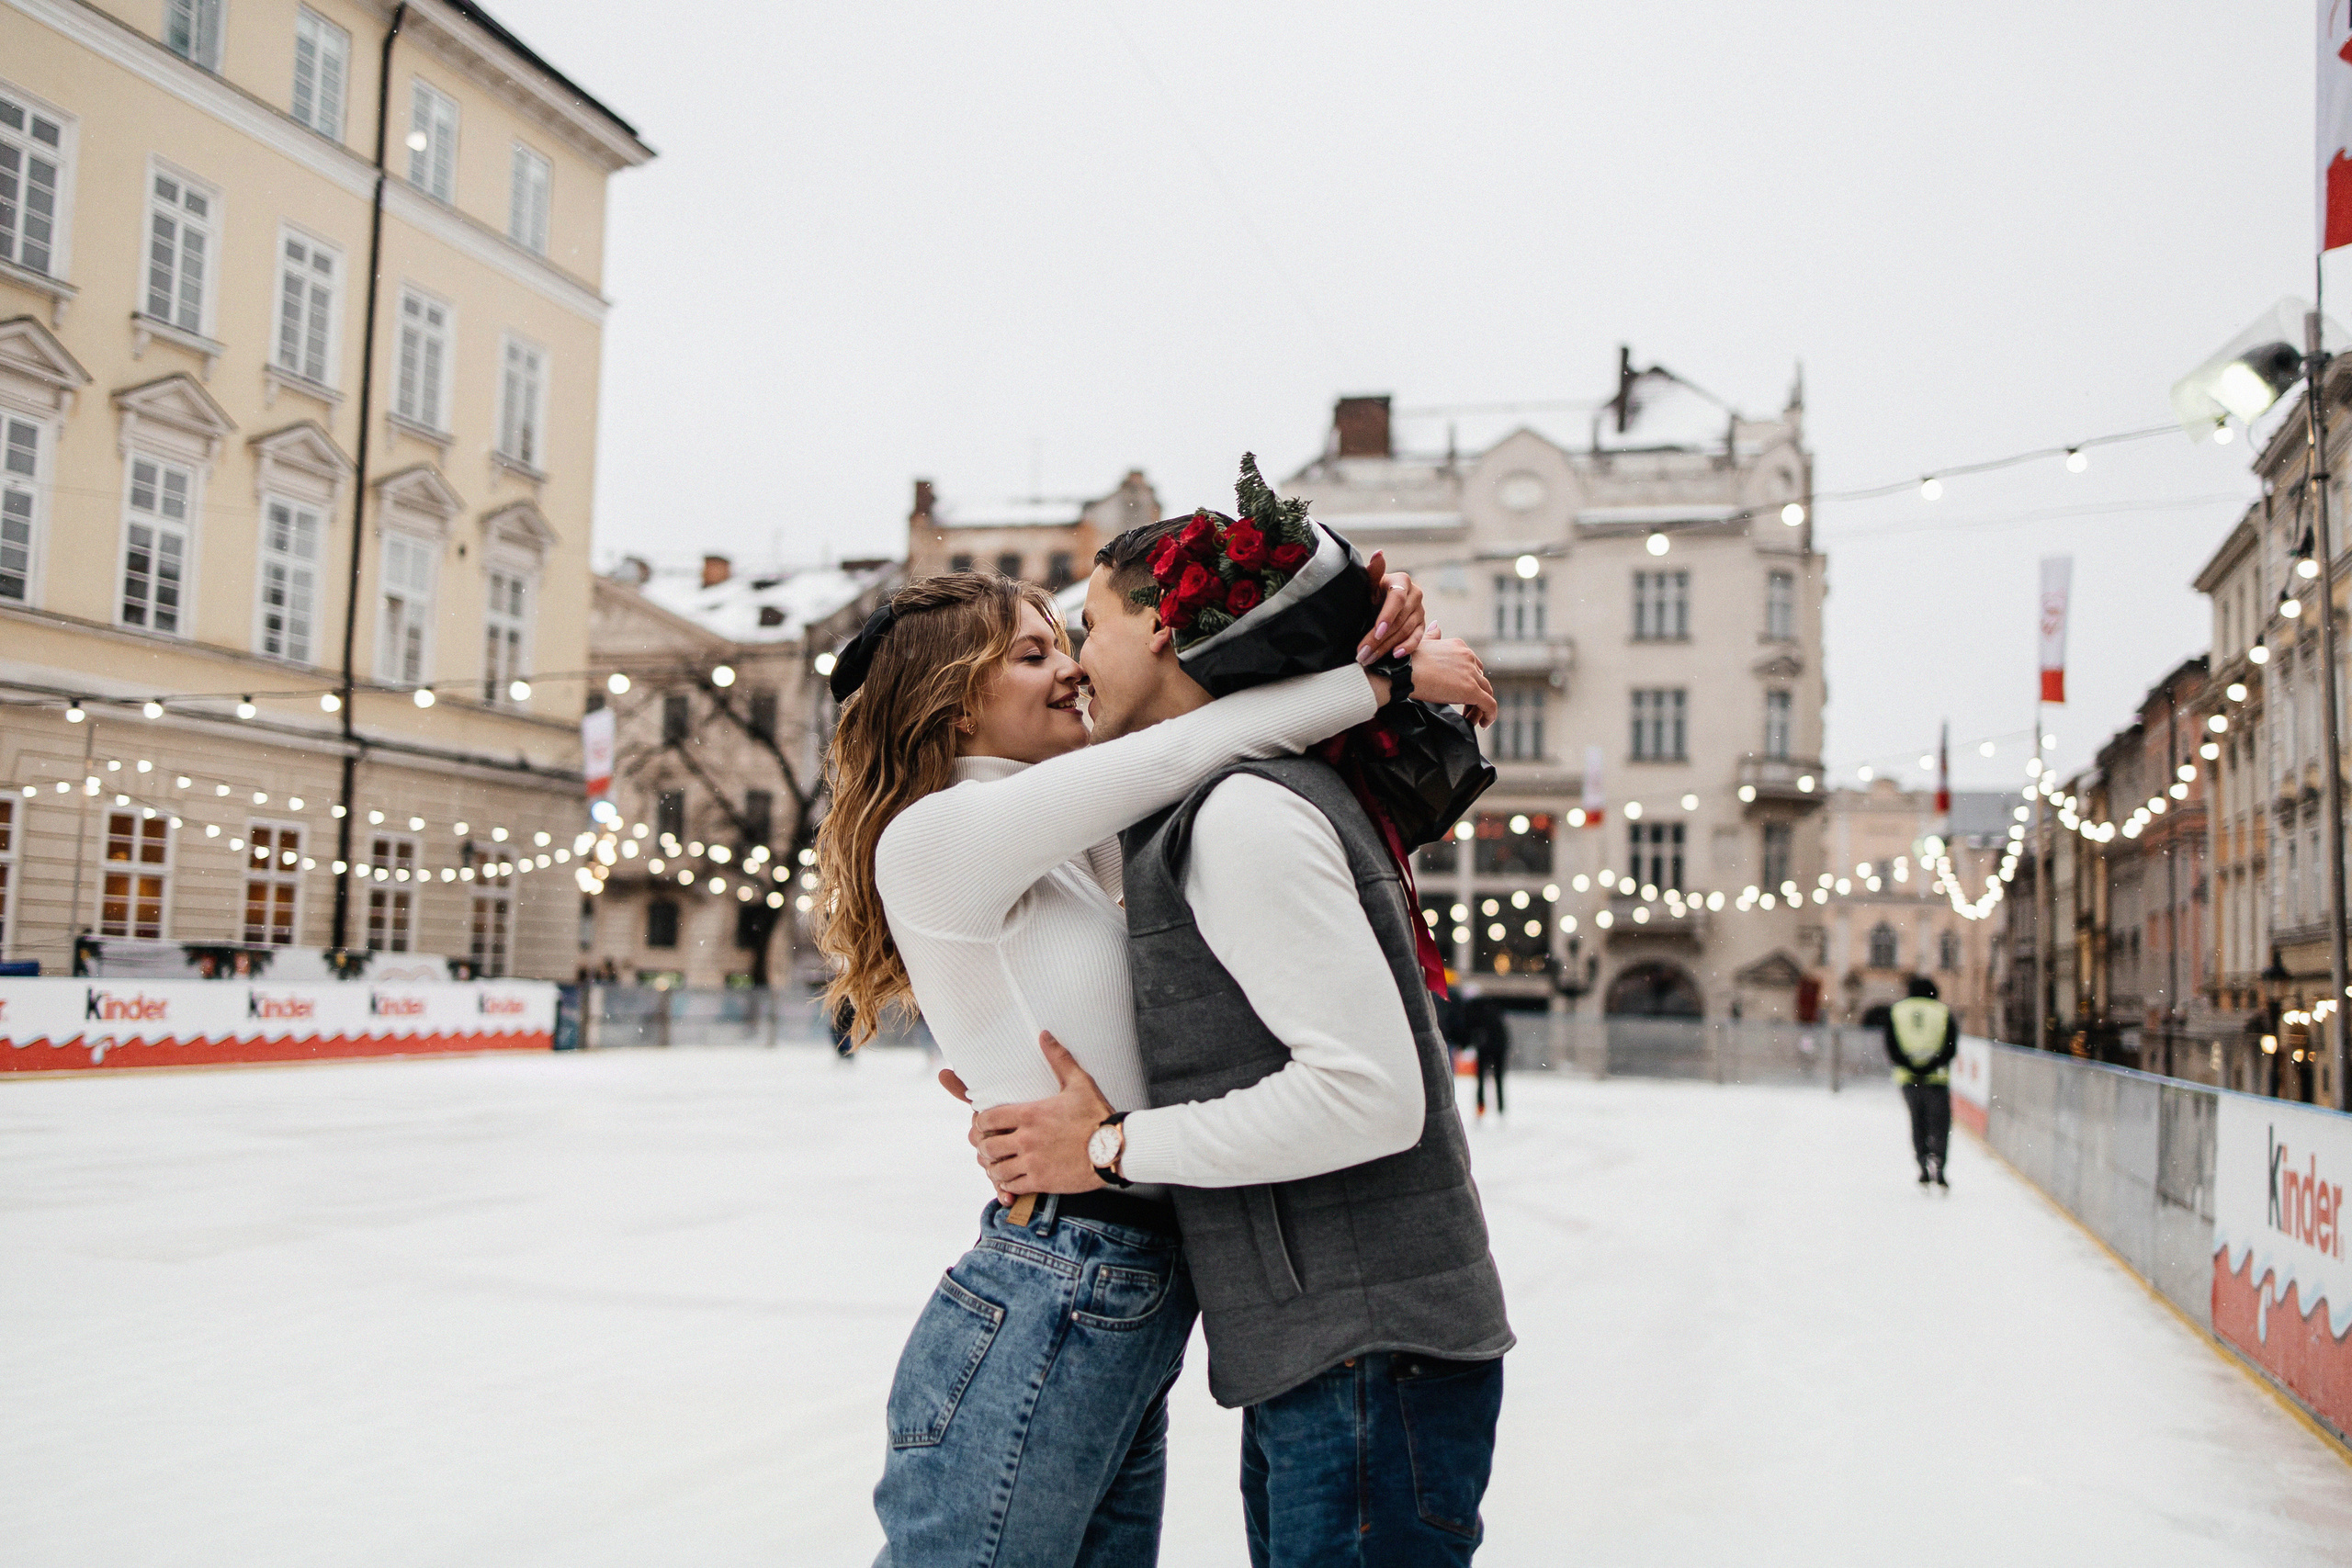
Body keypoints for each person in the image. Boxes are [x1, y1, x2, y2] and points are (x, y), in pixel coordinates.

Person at [817, 558, 1491, 1566]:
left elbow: (1186, 720)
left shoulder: (1070, 840)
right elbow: (1191, 743)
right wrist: (1387, 679)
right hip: (1058, 1275)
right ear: (953, 705)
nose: (1072, 669)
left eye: (1070, 643)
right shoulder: (936, 834)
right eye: (1033, 655)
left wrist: (1361, 622)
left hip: (1122, 1288)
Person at [1883, 975, 1958, 1188]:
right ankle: (1939, 1164)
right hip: (1936, 1079)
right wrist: (1931, 1065)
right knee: (1940, 1123)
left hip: (1908, 1079)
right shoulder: (1942, 1012)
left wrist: (1910, 1065)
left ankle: (1922, 1164)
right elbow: (1950, 1047)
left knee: (1918, 1121)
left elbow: (1891, 1045)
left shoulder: (1897, 1011)